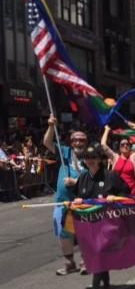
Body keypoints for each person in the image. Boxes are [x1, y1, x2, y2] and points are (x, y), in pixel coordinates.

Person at [65, 145, 129, 289]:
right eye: (87, 158)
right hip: (90, 224)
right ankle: (106, 285)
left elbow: (126, 192)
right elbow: (78, 197)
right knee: (97, 254)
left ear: (100, 160)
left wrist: (115, 197)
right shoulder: (84, 178)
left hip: (108, 223)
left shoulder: (111, 176)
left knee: (99, 253)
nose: (90, 161)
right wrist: (76, 201)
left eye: (93, 158)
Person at [43, 115, 88, 276]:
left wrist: (75, 182)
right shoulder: (65, 152)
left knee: (84, 232)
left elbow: (94, 180)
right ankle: (70, 263)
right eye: (75, 140)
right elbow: (47, 143)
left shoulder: (91, 156)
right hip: (62, 201)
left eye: (81, 140)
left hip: (82, 201)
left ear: (86, 142)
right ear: (71, 142)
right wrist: (50, 126)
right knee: (64, 232)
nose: (78, 142)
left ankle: (86, 261)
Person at [101, 125, 135, 195]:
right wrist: (106, 130)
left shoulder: (133, 157)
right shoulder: (115, 157)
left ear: (130, 147)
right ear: (119, 148)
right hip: (118, 193)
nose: (125, 146)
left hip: (133, 192)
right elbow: (103, 145)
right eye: (122, 144)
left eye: (127, 144)